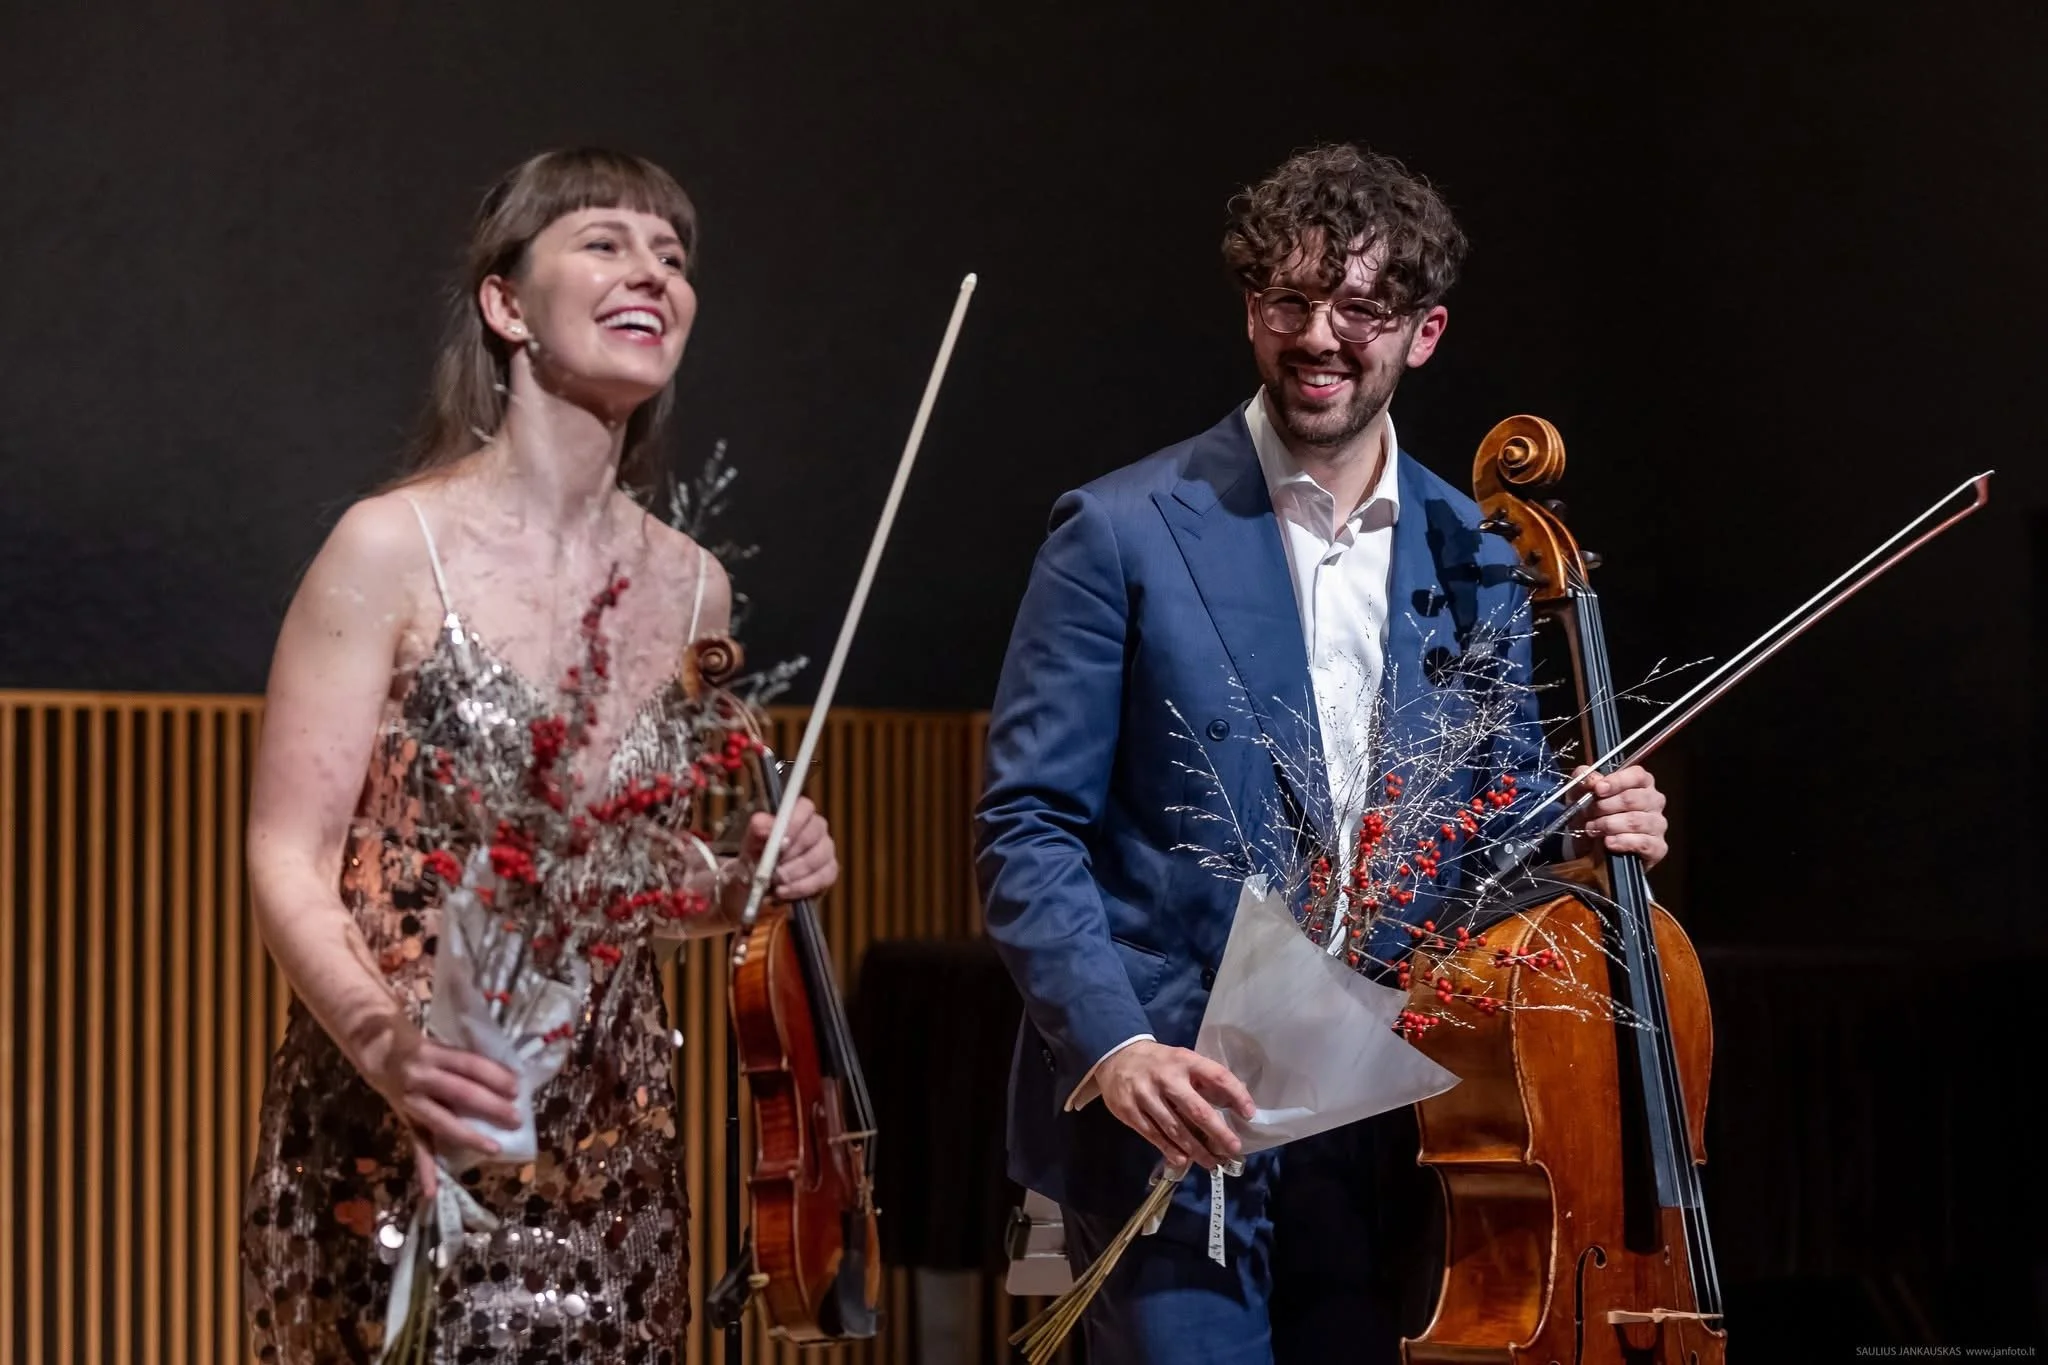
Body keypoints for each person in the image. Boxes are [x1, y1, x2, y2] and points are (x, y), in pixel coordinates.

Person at [975, 144, 1669, 1364]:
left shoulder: (1477, 560)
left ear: (1423, 332)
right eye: (1289, 300)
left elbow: (1483, 837)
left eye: (1362, 308)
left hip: (1388, 1131)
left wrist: (1582, 831)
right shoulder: (1119, 532)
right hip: (1181, 1113)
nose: (1320, 336)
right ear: (1252, 309)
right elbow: (1026, 828)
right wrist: (1118, 1048)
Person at [239, 147, 839, 1362]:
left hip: (612, 1149)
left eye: (673, 257)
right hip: (395, 1124)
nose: (652, 274)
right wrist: (384, 1048)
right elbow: (286, 857)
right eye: (605, 242)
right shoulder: (386, 548)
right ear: (506, 304)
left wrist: (749, 878)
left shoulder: (694, 590)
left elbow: (641, 882)